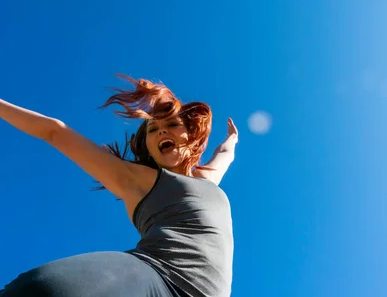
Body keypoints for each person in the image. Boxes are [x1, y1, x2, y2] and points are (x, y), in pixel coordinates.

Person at [0, 75, 238, 297]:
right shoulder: (138, 178)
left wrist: (232, 139)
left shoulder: (207, 180)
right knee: (37, 289)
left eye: (172, 124)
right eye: (153, 130)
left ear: (190, 135)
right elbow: (54, 131)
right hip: (157, 275)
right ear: (149, 148)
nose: (162, 130)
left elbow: (225, 154)